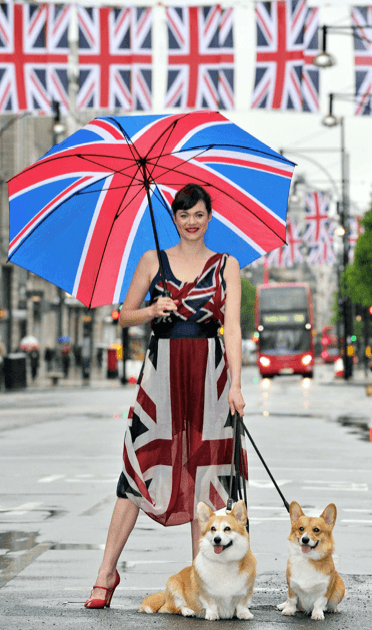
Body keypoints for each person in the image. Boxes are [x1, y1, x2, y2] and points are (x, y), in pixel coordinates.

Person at [84, 183, 246, 608]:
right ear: (174, 219)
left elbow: (233, 329)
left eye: (198, 215)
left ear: (210, 218)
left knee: (209, 481)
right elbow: (123, 315)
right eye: (183, 215)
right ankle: (106, 573)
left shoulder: (228, 266)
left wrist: (237, 386)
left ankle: (202, 583)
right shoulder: (152, 260)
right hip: (161, 379)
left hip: (211, 378)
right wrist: (153, 311)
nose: (191, 222)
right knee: (138, 470)